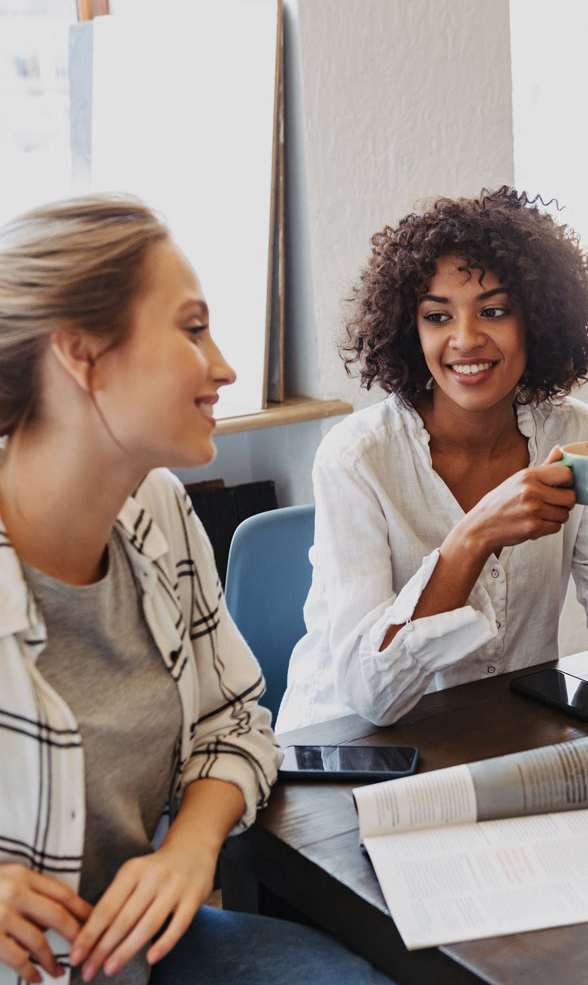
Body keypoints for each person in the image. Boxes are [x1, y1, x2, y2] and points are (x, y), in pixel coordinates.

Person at [0, 196, 392, 985]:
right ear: (82, 353)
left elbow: (234, 717)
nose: (223, 366)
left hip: (137, 952)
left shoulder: (159, 509)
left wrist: (188, 849)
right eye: (191, 328)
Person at [277, 187, 588, 730]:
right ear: (409, 330)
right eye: (437, 317)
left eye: (493, 311)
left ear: (536, 320)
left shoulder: (572, 432)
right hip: (349, 751)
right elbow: (371, 695)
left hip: (497, 738)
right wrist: (473, 537)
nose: (465, 339)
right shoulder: (357, 459)